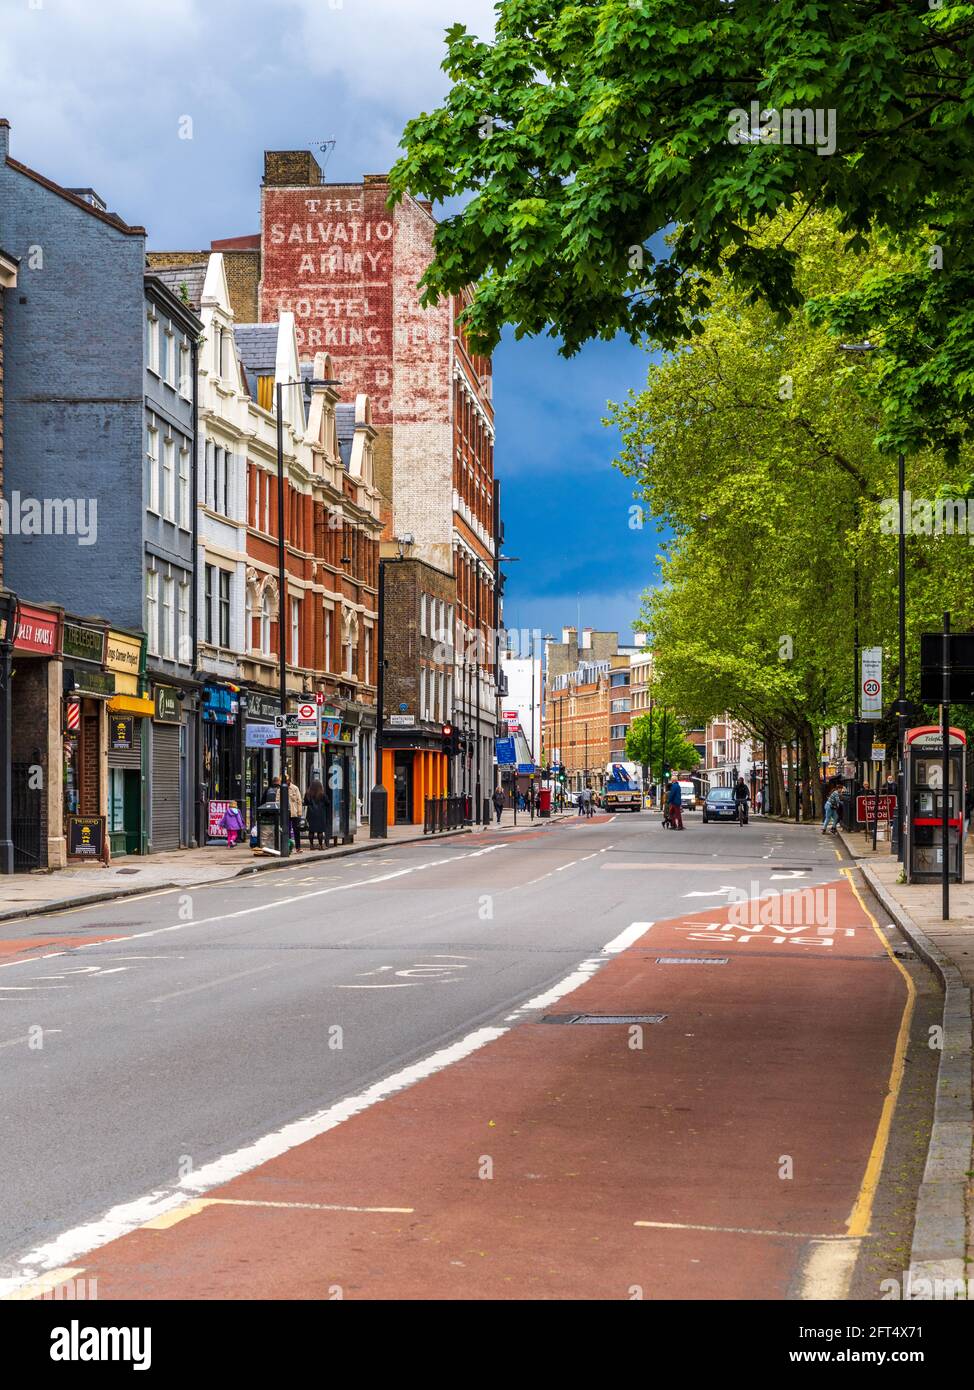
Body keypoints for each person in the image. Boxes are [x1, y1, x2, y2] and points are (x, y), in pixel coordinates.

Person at [304, 779, 328, 850]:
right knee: (320, 831)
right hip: (320, 814)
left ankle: (311, 845)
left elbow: (305, 802)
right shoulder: (322, 794)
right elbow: (327, 802)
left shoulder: (308, 794)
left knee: (311, 830)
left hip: (311, 814)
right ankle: (320, 845)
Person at [286, 773, 304, 852]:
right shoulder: (280, 789)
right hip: (285, 813)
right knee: (287, 831)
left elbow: (299, 801)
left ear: (289, 780)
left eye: (286, 780)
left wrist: (299, 813)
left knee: (296, 830)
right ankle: (289, 848)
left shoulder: (295, 788)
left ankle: (298, 847)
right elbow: (277, 801)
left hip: (294, 813)